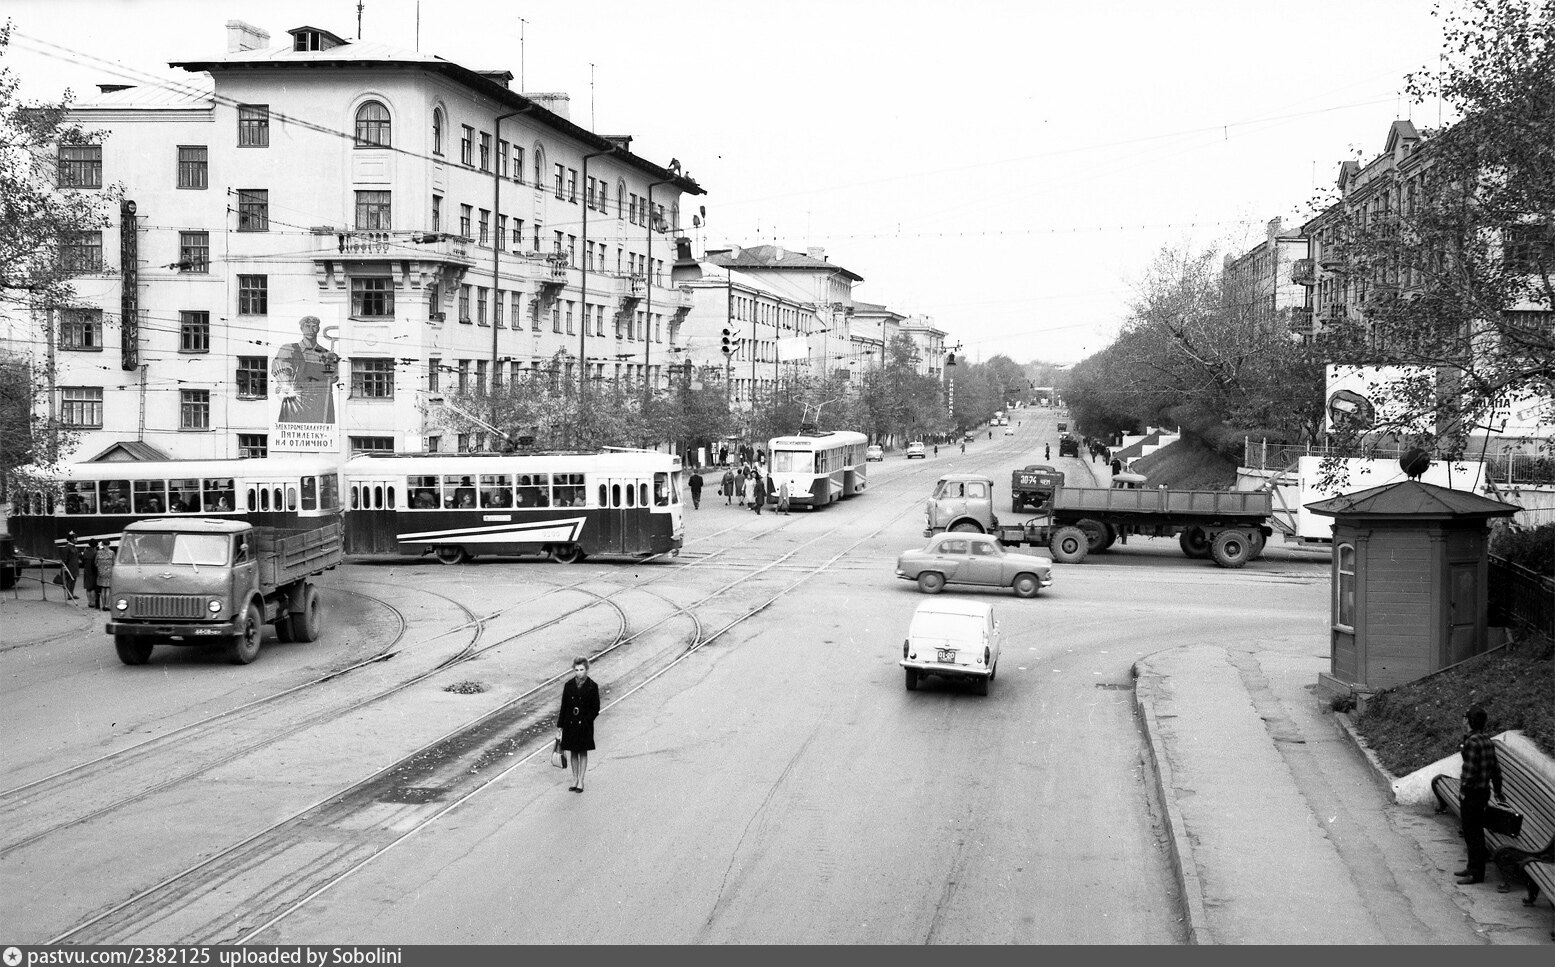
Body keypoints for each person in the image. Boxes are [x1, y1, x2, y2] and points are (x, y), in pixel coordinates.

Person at [1455, 704, 1504, 885]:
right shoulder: (1486, 740)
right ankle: (1472, 867)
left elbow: (1469, 772)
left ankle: (1475, 873)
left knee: (1471, 833)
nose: (1462, 720)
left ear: (1468, 721)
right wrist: (1497, 790)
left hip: (1471, 794)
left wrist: (1463, 791)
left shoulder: (1472, 742)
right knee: (1475, 831)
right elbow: (1496, 769)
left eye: (1464, 717)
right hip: (1483, 792)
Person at [272, 314, 341, 424]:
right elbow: (281, 368)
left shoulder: (328, 355)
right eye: (307, 326)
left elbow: (334, 378)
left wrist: (331, 369)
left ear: (318, 329)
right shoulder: (289, 349)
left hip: (320, 404)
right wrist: (286, 383)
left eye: (314, 326)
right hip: (296, 403)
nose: (311, 330)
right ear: (301, 328)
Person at [556, 656, 600, 793]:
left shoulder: (592, 686)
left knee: (583, 751)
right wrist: (560, 726)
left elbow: (595, 708)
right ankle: (574, 778)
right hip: (570, 723)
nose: (579, 673)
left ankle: (581, 780)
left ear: (586, 670)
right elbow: (564, 707)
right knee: (573, 751)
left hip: (584, 724)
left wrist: (587, 720)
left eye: (581, 670)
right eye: (576, 670)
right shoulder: (568, 685)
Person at [58, 532, 80, 600]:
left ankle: (71, 594)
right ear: (71, 539)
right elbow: (65, 558)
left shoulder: (73, 547)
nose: (76, 539)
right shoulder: (67, 547)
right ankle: (69, 595)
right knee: (69, 581)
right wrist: (64, 567)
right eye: (75, 538)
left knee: (73, 580)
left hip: (75, 566)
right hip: (69, 567)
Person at [95, 540, 115, 611]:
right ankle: (107, 605)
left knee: (102, 589)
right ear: (109, 544)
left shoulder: (98, 552)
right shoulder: (112, 552)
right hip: (109, 572)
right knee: (108, 589)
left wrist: (100, 568)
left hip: (101, 573)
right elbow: (114, 562)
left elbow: (95, 562)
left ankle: (103, 605)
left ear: (102, 544)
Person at [81, 540, 100, 609]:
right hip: (93, 571)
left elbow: (83, 561)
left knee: (88, 587)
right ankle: (93, 602)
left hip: (86, 571)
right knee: (93, 587)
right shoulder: (96, 552)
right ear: (96, 545)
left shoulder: (85, 551)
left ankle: (89, 602)